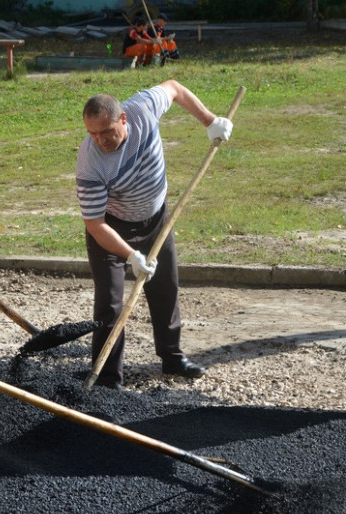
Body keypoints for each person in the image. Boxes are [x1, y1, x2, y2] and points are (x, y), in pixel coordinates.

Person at [75, 80, 233, 389]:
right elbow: (94, 224)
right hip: (112, 228)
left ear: (123, 119)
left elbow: (175, 88)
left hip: (157, 218)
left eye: (107, 131)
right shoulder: (90, 163)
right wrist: (131, 255)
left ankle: (172, 357)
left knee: (165, 288)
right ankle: (108, 380)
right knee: (110, 303)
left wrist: (210, 121)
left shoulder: (143, 109)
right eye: (93, 133)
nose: (101, 140)